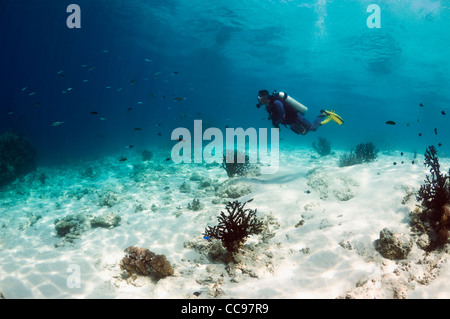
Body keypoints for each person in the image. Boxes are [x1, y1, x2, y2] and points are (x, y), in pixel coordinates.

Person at [256, 89, 343, 135]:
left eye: (259, 99)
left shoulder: (276, 102)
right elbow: (274, 116)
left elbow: (281, 115)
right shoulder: (268, 106)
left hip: (296, 117)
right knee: (304, 132)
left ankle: (323, 114)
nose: (259, 101)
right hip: (291, 122)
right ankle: (319, 122)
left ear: (264, 98)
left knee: (313, 129)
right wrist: (275, 124)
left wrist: (276, 123)